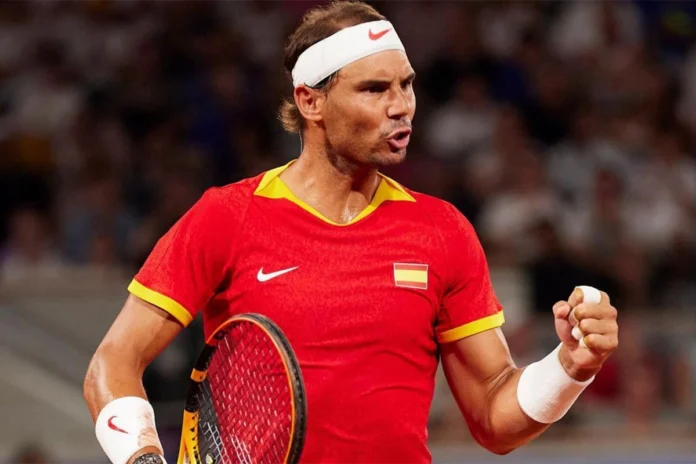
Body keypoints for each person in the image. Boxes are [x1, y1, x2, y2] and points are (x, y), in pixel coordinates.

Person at [83, 2, 620, 464]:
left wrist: (569, 367)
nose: (401, 106)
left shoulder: (443, 231)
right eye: (374, 89)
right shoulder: (227, 216)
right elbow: (112, 364)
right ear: (310, 101)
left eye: (406, 84)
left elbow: (494, 417)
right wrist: (144, 457)